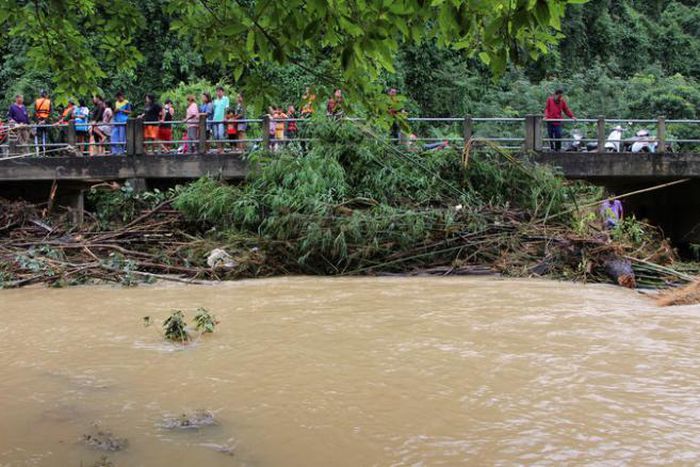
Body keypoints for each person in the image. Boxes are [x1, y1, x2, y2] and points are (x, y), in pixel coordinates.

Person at [212, 86, 230, 155]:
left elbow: (227, 108)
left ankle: (222, 148)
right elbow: (214, 110)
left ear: (223, 92)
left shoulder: (225, 99)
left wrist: (225, 117)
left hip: (221, 120)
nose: (218, 93)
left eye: (220, 91)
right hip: (215, 119)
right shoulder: (215, 101)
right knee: (216, 135)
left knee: (221, 134)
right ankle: (218, 148)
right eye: (217, 91)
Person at [34, 90, 52, 154]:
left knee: (39, 136)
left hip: (39, 121)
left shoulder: (37, 101)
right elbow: (50, 113)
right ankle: (45, 152)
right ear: (45, 95)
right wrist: (45, 120)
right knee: (46, 136)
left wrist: (39, 121)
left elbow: (35, 112)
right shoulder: (49, 102)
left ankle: (38, 152)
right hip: (46, 121)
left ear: (40, 94)